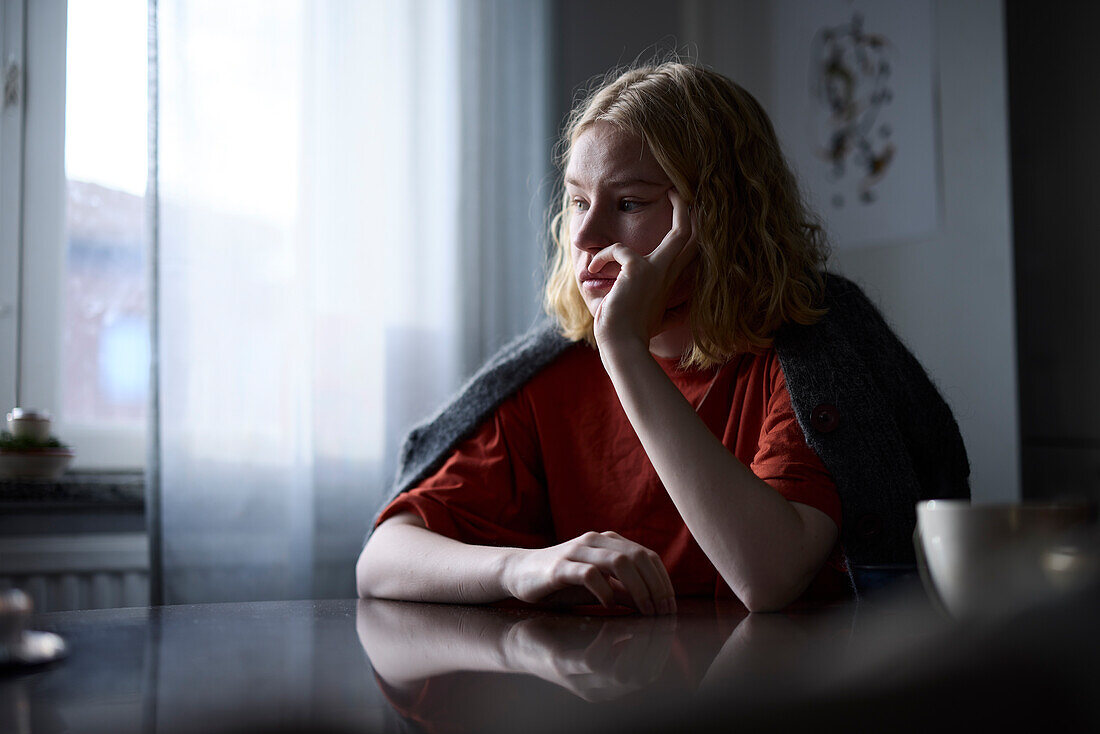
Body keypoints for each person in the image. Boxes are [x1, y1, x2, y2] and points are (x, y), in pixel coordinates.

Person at [356, 62, 969, 614]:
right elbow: (383, 559)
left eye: (628, 202)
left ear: (717, 220)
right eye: (575, 201)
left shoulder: (811, 358)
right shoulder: (551, 375)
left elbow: (768, 577)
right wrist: (519, 567)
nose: (586, 235)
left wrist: (624, 351)